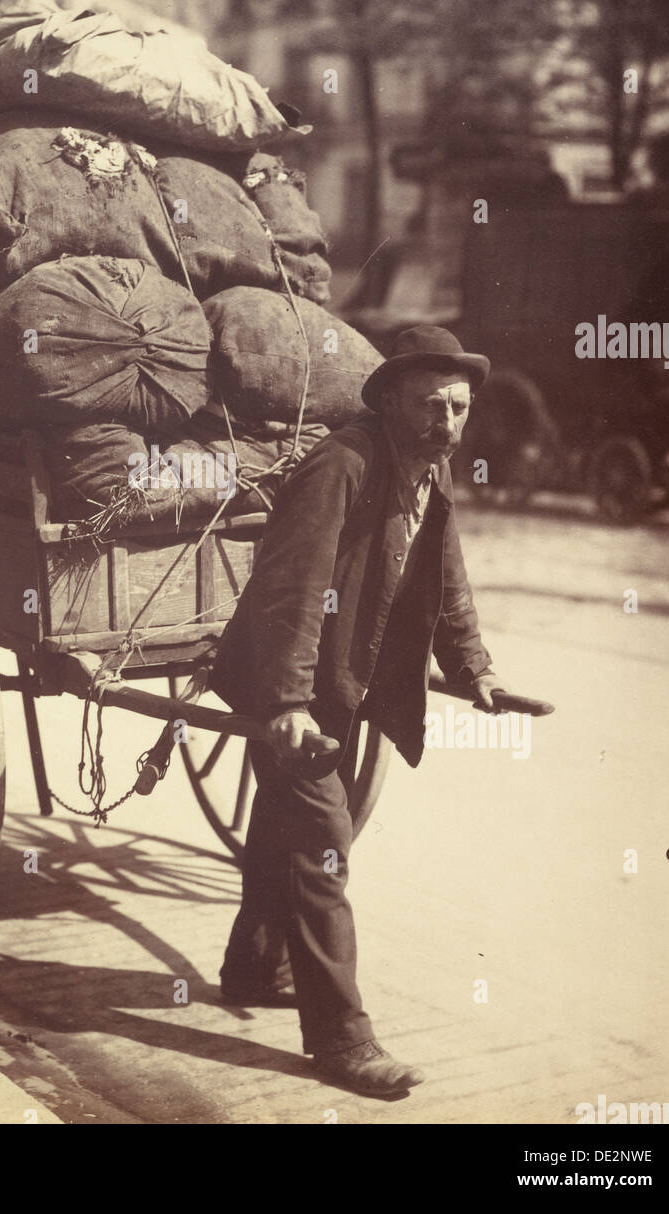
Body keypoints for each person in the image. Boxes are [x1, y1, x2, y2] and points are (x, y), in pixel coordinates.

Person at [208, 325, 506, 1098]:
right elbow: (292, 588)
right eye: (430, 407)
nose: (445, 424)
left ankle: (254, 967)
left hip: (341, 683)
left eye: (458, 408)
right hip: (294, 683)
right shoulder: (342, 466)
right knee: (323, 838)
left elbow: (446, 578)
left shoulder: (428, 475)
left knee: (287, 821)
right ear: (391, 403)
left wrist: (474, 668)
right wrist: (285, 703)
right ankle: (341, 1037)